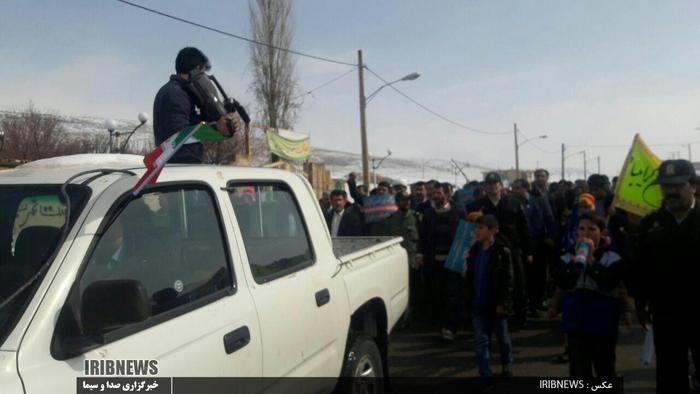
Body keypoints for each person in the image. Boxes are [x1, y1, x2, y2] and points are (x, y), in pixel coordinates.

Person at [631, 159, 700, 393]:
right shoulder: (651, 225)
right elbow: (639, 268)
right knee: (670, 374)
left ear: (693, 186)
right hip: (667, 312)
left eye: (677, 185)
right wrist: (639, 304)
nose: (670, 191)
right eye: (665, 186)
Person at [551, 212, 623, 378]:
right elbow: (563, 282)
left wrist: (591, 262)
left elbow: (609, 283)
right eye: (582, 229)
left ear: (602, 232)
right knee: (578, 371)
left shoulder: (612, 257)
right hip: (576, 323)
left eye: (592, 229)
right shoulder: (567, 255)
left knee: (604, 368)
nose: (586, 233)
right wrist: (576, 263)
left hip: (603, 324)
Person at [153, 47, 241, 164]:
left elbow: (190, 124)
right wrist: (217, 128)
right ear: (197, 70)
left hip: (178, 165)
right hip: (181, 165)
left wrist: (220, 122)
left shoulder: (176, 91)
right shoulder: (177, 93)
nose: (204, 78)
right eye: (203, 73)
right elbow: (178, 136)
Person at [468, 172, 532, 329]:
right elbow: (470, 230)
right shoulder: (477, 206)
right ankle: (490, 316)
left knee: (518, 282)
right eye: (488, 184)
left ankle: (520, 316)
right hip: (488, 249)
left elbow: (524, 227)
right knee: (492, 282)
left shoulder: (513, 202)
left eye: (495, 183)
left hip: (512, 248)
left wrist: (529, 251)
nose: (492, 186)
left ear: (501, 186)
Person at [465, 214, 514, 377]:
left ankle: (507, 365)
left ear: (493, 231)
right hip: (478, 304)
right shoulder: (474, 250)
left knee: (503, 339)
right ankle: (485, 374)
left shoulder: (502, 252)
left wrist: (503, 303)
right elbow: (469, 277)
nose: (476, 231)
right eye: (476, 228)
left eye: (480, 228)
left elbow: (508, 280)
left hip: (496, 304)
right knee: (481, 341)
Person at [417, 182, 464, 339]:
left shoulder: (458, 210)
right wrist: (420, 253)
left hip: (453, 260)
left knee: (453, 294)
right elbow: (423, 236)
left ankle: (451, 327)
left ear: (447, 194)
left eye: (438, 193)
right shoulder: (429, 213)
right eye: (433, 193)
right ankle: (441, 324)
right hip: (434, 261)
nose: (435, 196)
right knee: (438, 293)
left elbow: (466, 235)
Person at [512, 178, 557, 316]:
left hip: (538, 244)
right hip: (522, 245)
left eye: (517, 188)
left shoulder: (539, 201)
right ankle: (525, 306)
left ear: (525, 188)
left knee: (539, 275)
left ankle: (536, 304)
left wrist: (551, 236)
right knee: (523, 276)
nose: (513, 191)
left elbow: (550, 219)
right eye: (513, 188)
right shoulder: (512, 203)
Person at [385, 193, 420, 323]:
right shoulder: (391, 219)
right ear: (397, 203)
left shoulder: (417, 217)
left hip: (412, 258)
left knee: (413, 287)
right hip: (396, 259)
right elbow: (386, 240)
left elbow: (422, 238)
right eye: (403, 201)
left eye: (408, 201)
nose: (407, 203)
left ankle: (411, 315)